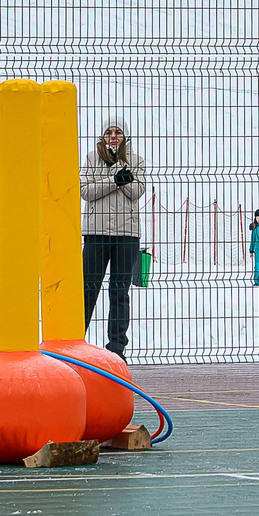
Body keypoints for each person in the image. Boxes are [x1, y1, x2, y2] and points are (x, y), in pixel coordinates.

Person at [80, 119, 147, 356]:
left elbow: (137, 192)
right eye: (108, 132)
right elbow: (85, 191)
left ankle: (117, 347)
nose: (113, 136)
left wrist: (120, 176)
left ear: (125, 137)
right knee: (87, 288)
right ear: (102, 136)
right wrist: (115, 179)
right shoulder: (91, 159)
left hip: (126, 234)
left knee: (120, 291)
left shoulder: (136, 160)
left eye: (118, 132)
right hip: (96, 234)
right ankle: (76, 340)